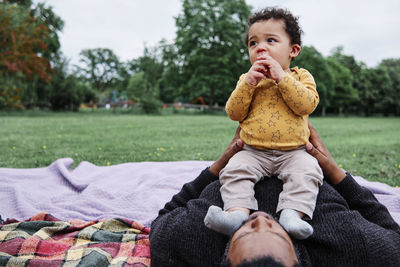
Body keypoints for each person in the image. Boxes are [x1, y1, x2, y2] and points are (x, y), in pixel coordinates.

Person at [149, 123, 400, 266]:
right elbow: (392, 233)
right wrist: (334, 171)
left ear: (224, 256)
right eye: (277, 232)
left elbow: (165, 215)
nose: (260, 218)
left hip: (244, 160)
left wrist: (219, 165)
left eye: (244, 232)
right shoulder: (354, 246)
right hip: (301, 164)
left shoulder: (187, 239)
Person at [204, 7, 322, 240]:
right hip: (252, 151)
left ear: (293, 50)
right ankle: (236, 214)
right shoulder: (247, 80)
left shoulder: (300, 77)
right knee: (234, 170)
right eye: (253, 43)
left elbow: (306, 105)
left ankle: (292, 214)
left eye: (271, 40)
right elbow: (234, 112)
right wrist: (247, 83)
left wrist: (282, 77)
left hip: (293, 152)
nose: (261, 48)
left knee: (308, 171)